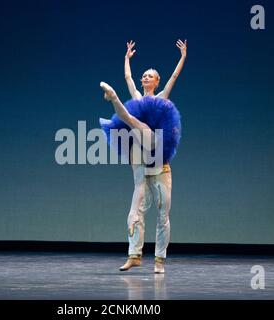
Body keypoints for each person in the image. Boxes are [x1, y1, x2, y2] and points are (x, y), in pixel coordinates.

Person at [99, 39, 187, 273]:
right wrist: (126, 59)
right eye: (144, 75)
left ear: (156, 81)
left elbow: (173, 79)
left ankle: (159, 261)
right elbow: (128, 79)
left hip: (159, 161)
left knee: (162, 214)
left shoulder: (160, 99)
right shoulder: (137, 97)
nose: (146, 78)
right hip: (140, 159)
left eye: (150, 76)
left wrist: (182, 58)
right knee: (135, 212)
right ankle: (134, 255)